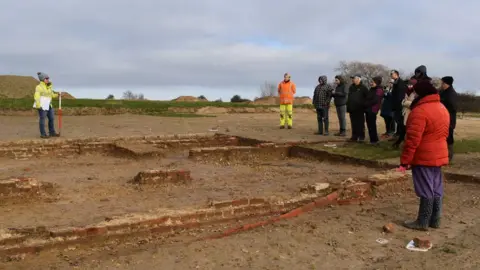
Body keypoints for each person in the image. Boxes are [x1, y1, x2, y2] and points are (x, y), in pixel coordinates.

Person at [400, 81, 450, 230]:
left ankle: (422, 221)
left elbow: (412, 140)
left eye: (413, 92)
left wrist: (405, 161)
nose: (411, 95)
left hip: (424, 155)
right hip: (439, 153)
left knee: (425, 188)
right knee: (436, 187)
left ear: (419, 93)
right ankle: (435, 220)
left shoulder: (420, 111)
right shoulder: (442, 108)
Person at [33, 72, 60, 138]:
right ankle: (43, 134)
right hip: (42, 106)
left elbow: (52, 95)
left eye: (48, 78)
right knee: (42, 119)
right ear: (42, 79)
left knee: (51, 118)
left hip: (49, 106)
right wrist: (38, 105)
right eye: (46, 78)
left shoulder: (49, 87)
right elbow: (37, 96)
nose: (48, 79)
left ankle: (52, 132)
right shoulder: (38, 87)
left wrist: (57, 95)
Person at [440, 76, 458, 162]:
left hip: (449, 119)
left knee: (449, 137)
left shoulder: (451, 94)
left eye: (443, 83)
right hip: (443, 118)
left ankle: (449, 156)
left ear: (447, 84)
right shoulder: (444, 92)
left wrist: (443, 107)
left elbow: (453, 107)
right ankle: (443, 155)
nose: (442, 85)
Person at [346, 74, 368, 142]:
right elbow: (349, 97)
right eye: (352, 78)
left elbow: (367, 98)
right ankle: (354, 136)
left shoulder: (363, 87)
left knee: (360, 123)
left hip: (360, 109)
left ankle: (361, 137)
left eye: (354, 78)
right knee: (353, 123)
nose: (353, 80)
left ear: (359, 79)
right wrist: (348, 106)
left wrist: (364, 106)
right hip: (352, 109)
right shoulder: (351, 87)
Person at [390, 70, 408, 148]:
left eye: (392, 74)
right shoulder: (395, 83)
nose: (391, 75)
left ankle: (401, 139)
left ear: (397, 74)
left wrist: (398, 106)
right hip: (395, 106)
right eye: (390, 74)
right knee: (398, 122)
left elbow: (400, 96)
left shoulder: (400, 83)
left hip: (399, 106)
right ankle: (400, 138)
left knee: (401, 124)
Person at [364, 76, 384, 144]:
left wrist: (366, 104)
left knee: (372, 125)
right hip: (368, 109)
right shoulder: (371, 89)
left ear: (377, 82)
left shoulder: (379, 90)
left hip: (373, 110)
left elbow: (376, 100)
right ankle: (373, 139)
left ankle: (374, 140)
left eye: (373, 82)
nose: (371, 83)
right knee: (369, 125)